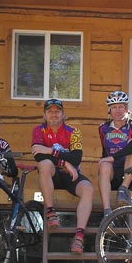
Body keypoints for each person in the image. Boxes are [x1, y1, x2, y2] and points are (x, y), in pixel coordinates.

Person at [31, 98, 94, 254]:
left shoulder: (73, 132)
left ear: (63, 114)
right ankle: (51, 212)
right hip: (52, 175)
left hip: (70, 176)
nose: (54, 114)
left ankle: (79, 237)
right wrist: (64, 162)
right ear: (44, 115)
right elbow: (38, 156)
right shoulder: (39, 130)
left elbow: (76, 158)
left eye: (57, 111)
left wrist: (50, 151)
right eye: (50, 111)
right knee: (44, 164)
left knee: (88, 189)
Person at [98, 91, 132, 217]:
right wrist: (108, 160)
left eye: (121, 106)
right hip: (112, 176)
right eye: (114, 107)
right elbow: (104, 151)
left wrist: (114, 157)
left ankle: (123, 189)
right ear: (110, 110)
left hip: (130, 177)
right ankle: (107, 212)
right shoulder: (103, 128)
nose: (117, 110)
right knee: (104, 165)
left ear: (126, 108)